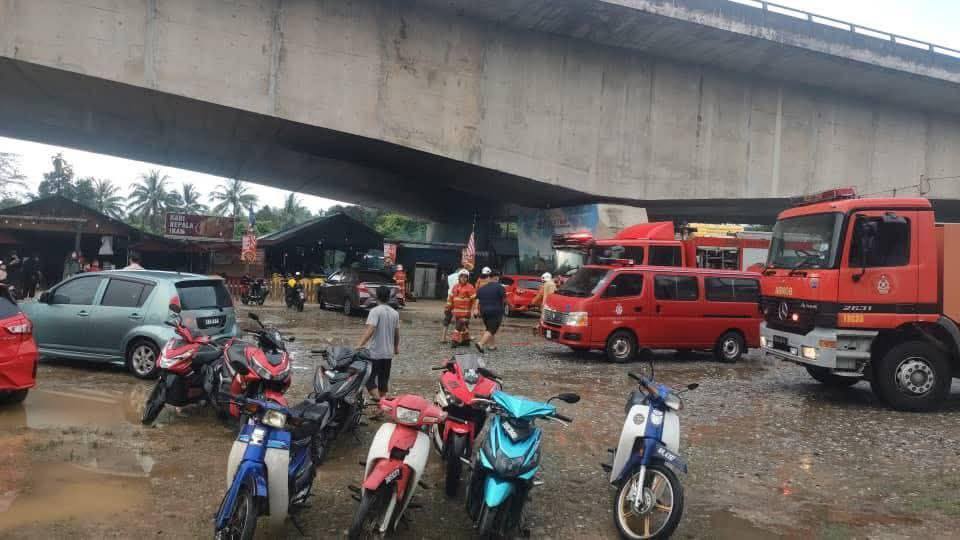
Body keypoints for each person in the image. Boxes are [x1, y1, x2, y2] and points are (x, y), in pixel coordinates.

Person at [356, 286, 400, 401]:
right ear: (389, 297)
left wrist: (359, 344)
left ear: (377, 297)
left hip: (375, 353)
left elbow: (370, 330)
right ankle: (380, 409)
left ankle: (381, 403)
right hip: (388, 354)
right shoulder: (395, 313)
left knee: (368, 380)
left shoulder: (375, 311)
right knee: (383, 381)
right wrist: (395, 347)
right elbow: (396, 333)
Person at [476, 270, 506, 353]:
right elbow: (504, 299)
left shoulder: (481, 288)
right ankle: (480, 343)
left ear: (489, 278)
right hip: (495, 311)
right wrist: (511, 306)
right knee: (492, 329)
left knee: (489, 328)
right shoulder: (500, 287)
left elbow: (477, 299)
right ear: (497, 278)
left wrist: (476, 310)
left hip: (484, 311)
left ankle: (492, 346)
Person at [445, 269, 477, 345]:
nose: (463, 278)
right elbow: (451, 298)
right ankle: (466, 341)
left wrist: (475, 309)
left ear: (467, 278)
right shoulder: (455, 287)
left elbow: (474, 299)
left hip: (465, 312)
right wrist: (448, 307)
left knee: (458, 326)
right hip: (456, 312)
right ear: (459, 277)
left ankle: (454, 340)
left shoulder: (470, 287)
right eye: (462, 277)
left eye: (465, 277)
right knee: (464, 326)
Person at [441, 266, 469, 342]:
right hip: (459, 301)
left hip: (449, 299)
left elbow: (447, 287)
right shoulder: (463, 278)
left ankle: (443, 337)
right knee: (460, 320)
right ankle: (459, 338)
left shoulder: (449, 277)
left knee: (447, 319)